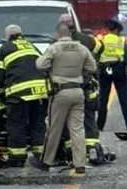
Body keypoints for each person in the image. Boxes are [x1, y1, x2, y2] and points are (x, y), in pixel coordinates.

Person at [33, 22, 97, 176]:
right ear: (70, 33)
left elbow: (40, 65)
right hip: (78, 91)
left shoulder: (54, 48)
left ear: (58, 34)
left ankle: (46, 162)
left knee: (54, 128)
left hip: (60, 92)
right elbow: (92, 67)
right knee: (78, 129)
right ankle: (80, 163)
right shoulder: (82, 48)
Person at [0, 24, 49, 166]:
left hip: (19, 93)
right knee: (38, 124)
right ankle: (40, 154)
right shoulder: (32, 46)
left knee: (17, 124)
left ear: (7, 36)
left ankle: (17, 158)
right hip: (41, 92)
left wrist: (0, 94)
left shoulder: (5, 48)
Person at [60, 14, 104, 158]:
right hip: (88, 85)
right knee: (89, 118)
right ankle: (92, 149)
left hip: (69, 87)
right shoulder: (87, 40)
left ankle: (71, 151)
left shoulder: (57, 43)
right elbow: (100, 47)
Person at [96, 19, 127, 132]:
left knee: (103, 99)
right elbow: (126, 56)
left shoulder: (102, 39)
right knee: (124, 98)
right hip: (118, 70)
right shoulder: (121, 40)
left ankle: (99, 125)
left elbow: (97, 53)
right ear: (117, 30)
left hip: (105, 70)